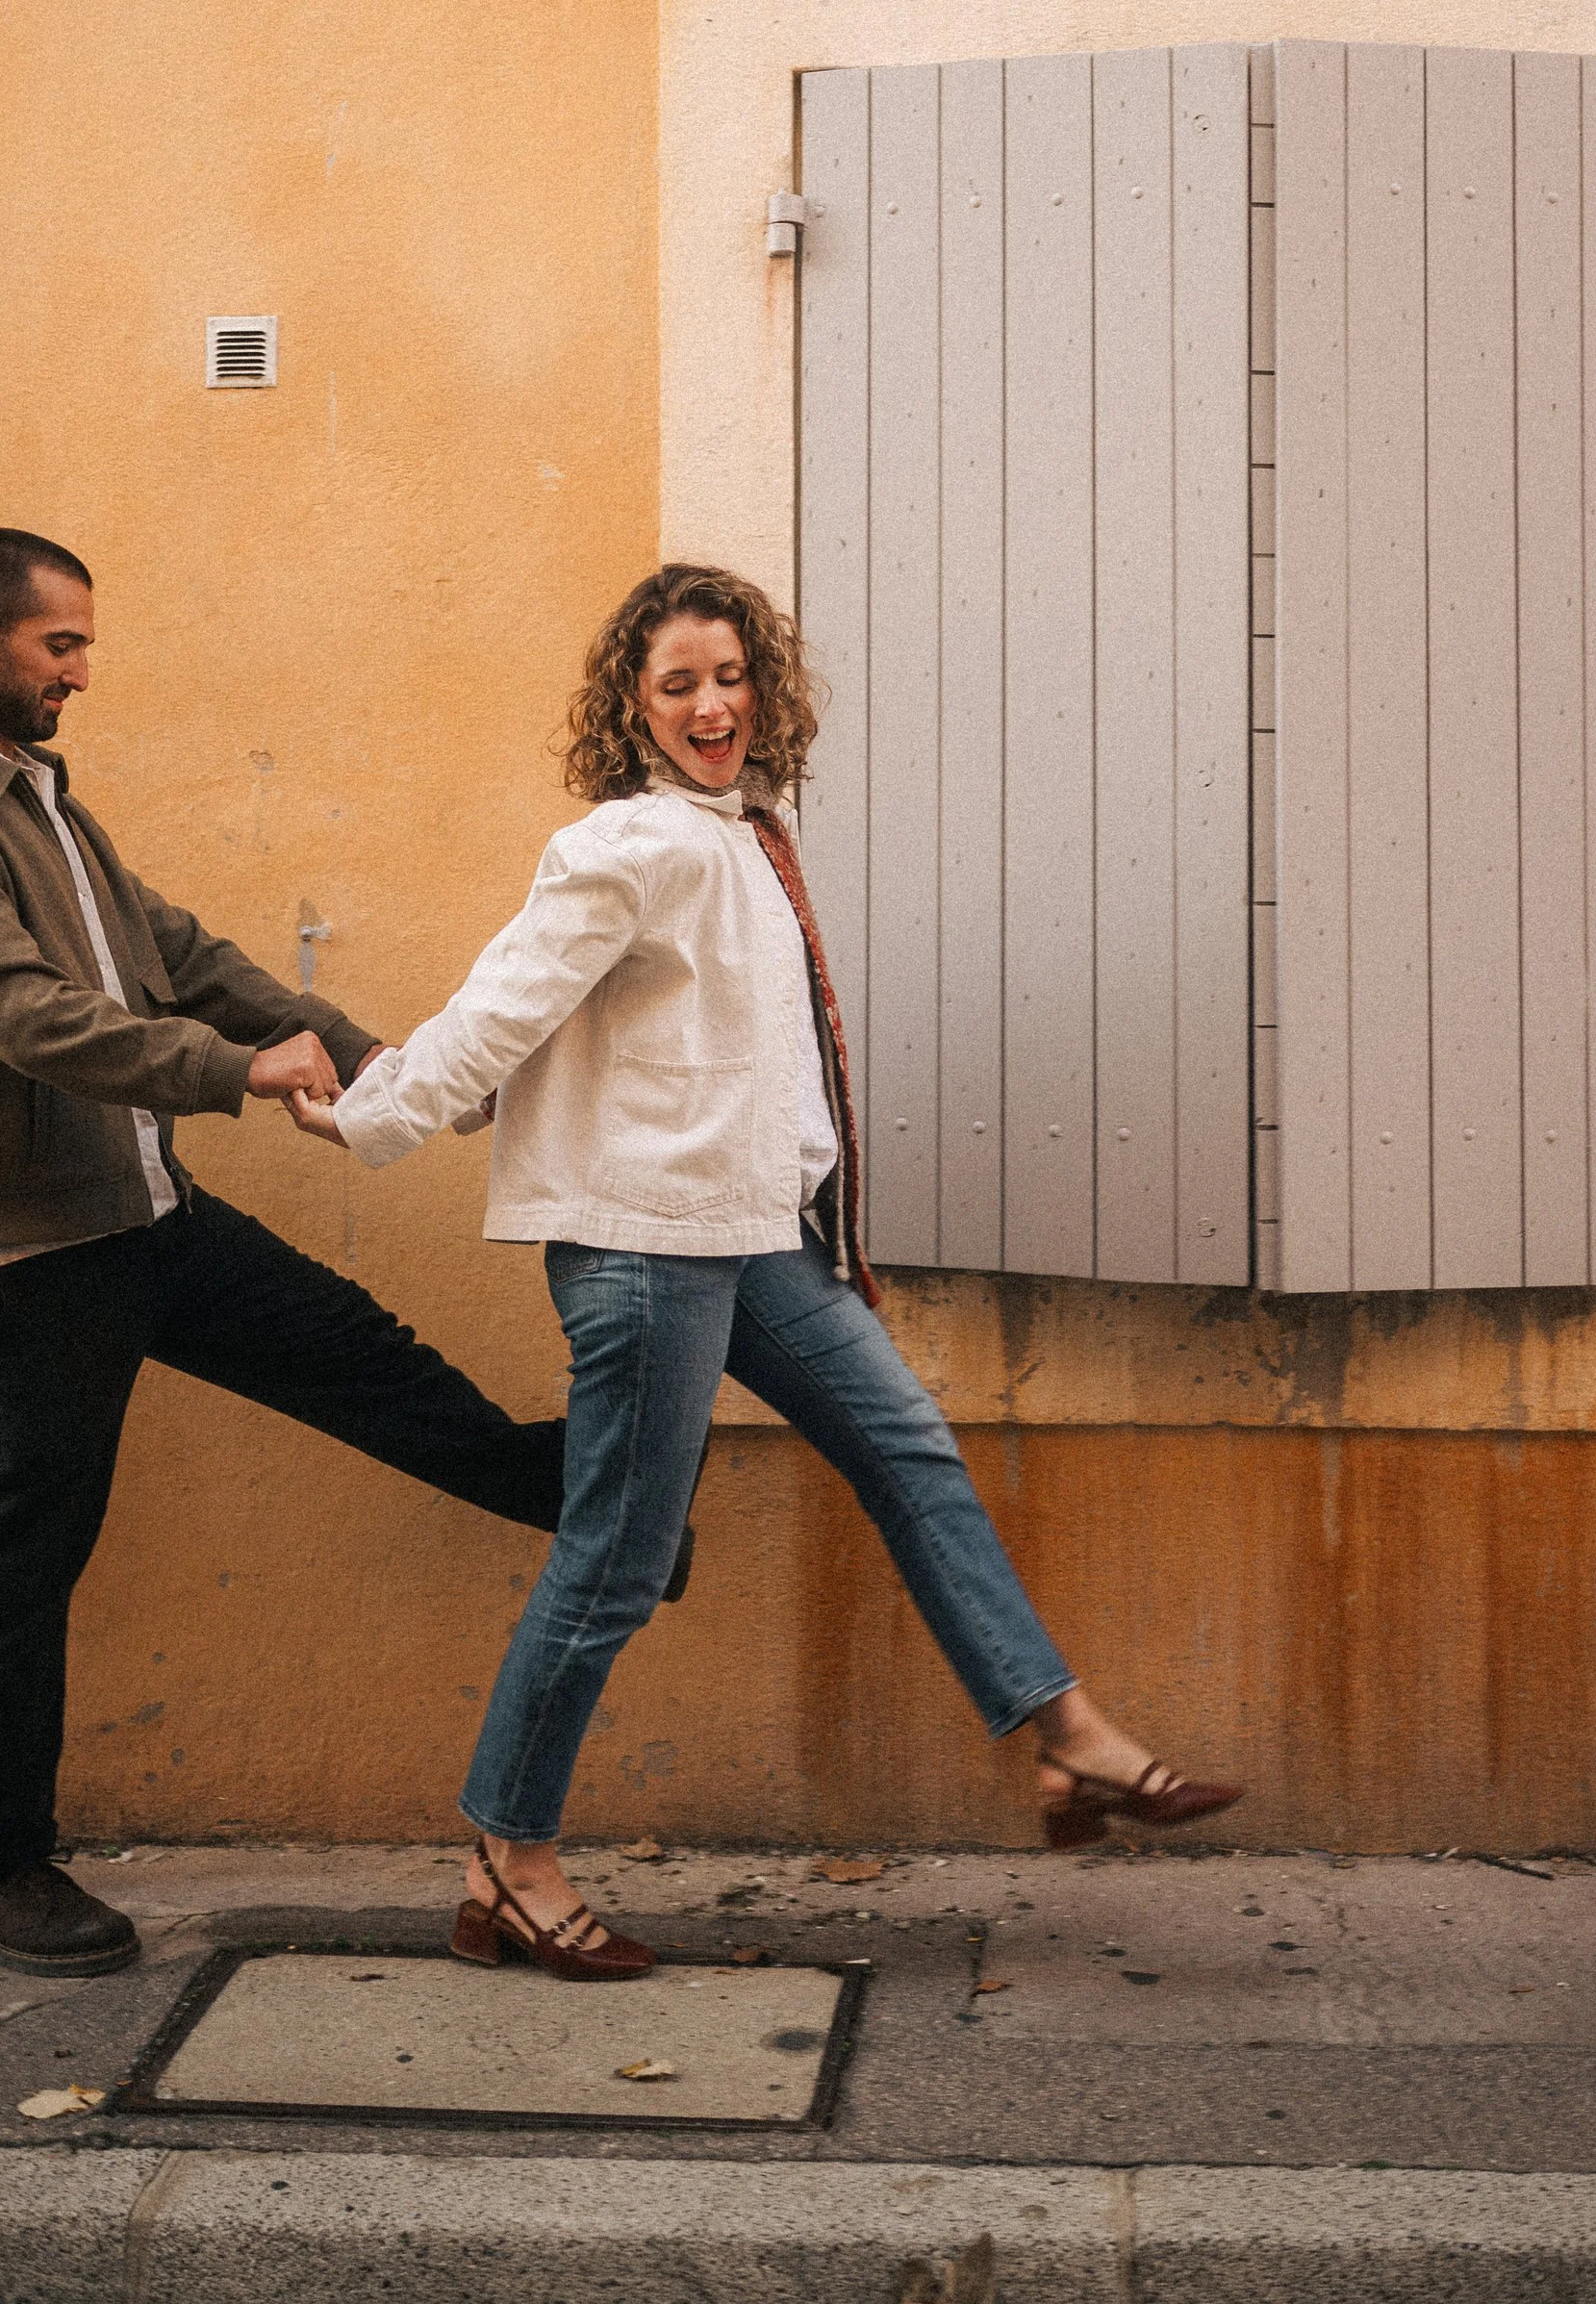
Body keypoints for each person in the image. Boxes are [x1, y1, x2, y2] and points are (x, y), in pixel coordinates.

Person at [297, 561, 1241, 1981]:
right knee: (612, 1563)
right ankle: (509, 1855)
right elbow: (505, 1009)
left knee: (911, 1452)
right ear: (634, 705)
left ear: (764, 687)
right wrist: (375, 1111)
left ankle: (1072, 1742)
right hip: (648, 1248)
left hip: (752, 1240)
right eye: (678, 684)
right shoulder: (631, 843)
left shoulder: (743, 839)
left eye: (730, 677)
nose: (711, 705)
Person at [0, 527, 647, 1981]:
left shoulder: (48, 810)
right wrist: (237, 1075)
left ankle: (598, 1504)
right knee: (28, 1557)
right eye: (59, 646)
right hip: (17, 1257)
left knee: (360, 1358)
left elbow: (183, 950)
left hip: (142, 1216)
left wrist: (370, 1056)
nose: (83, 672)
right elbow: (26, 1015)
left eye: (84, 644)